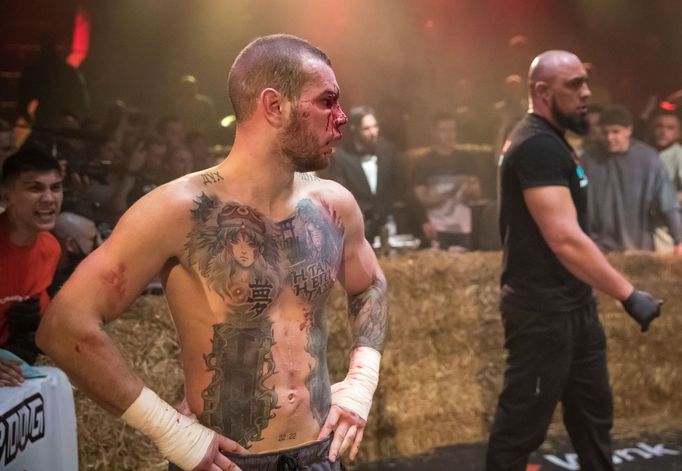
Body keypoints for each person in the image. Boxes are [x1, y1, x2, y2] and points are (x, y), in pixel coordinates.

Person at [37, 34, 388, 471]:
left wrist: (361, 381)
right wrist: (168, 429)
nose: (341, 119)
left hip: (319, 455)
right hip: (229, 464)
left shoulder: (333, 205)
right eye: (327, 101)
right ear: (274, 106)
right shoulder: (178, 210)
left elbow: (370, 283)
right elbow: (64, 326)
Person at [487, 50, 662, 471]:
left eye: (585, 82)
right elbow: (565, 238)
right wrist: (628, 293)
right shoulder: (537, 146)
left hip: (574, 307)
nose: (586, 93)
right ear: (542, 92)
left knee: (593, 419)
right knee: (521, 430)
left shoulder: (554, 142)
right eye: (574, 85)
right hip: (542, 312)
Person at [581, 105, 682, 254]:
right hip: (597, 246)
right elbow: (577, 191)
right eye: (605, 132)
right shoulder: (587, 158)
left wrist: (679, 239)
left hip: (637, 248)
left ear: (628, 130)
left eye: (616, 132)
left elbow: (668, 204)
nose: (610, 138)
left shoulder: (649, 160)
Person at [1, 146, 63, 370]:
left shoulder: (50, 248)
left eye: (55, 188)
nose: (49, 198)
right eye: (35, 188)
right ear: (7, 195)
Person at [321, 106, 398, 243]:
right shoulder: (341, 157)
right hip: (357, 229)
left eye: (375, 126)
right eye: (366, 129)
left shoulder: (387, 150)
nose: (373, 132)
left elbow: (397, 186)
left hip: (388, 226)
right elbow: (341, 196)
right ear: (354, 129)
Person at [412, 112, 481, 250]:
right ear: (434, 132)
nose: (449, 135)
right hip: (437, 229)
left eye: (452, 130)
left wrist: (469, 191)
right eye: (444, 130)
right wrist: (452, 191)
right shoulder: (424, 162)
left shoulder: (466, 159)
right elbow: (421, 198)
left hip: (462, 229)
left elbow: (477, 192)